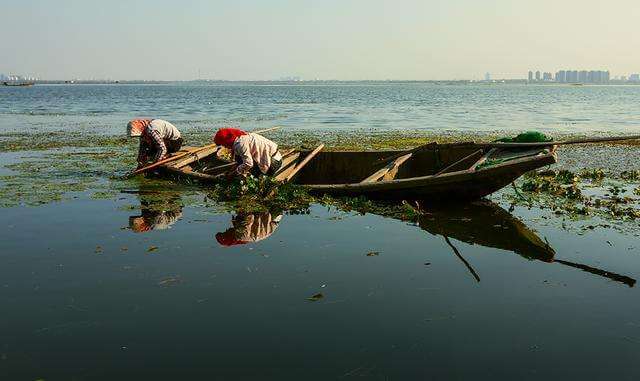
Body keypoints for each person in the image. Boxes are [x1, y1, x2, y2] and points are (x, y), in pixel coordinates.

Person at [213, 128, 282, 178]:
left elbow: (248, 164)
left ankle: (263, 175)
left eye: (223, 144)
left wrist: (233, 174)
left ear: (226, 140)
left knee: (249, 172)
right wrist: (232, 170)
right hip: (277, 158)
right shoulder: (241, 137)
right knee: (239, 159)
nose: (224, 146)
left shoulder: (240, 144)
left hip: (273, 163)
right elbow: (239, 161)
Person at [215, 212, 283, 246]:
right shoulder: (241, 235)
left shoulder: (241, 238)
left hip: (273, 221)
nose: (227, 230)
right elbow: (249, 216)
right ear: (228, 236)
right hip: (273, 217)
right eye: (225, 232)